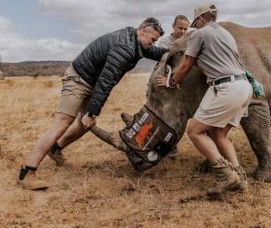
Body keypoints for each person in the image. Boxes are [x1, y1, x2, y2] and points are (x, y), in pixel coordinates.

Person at [18, 18, 168, 190]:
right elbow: (106, 80)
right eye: (152, 39)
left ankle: (56, 149)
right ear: (142, 30)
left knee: (82, 126)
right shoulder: (124, 47)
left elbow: (157, 52)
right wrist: (91, 113)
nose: (153, 43)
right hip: (79, 79)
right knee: (63, 122)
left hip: (92, 83)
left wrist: (180, 52)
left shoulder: (137, 42)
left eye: (155, 40)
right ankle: (27, 173)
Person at [156, 4, 253, 197]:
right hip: (244, 86)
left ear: (200, 19)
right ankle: (240, 177)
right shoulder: (226, 34)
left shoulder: (199, 34)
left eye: (195, 23)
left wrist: (170, 82)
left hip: (226, 88)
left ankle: (226, 175)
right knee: (219, 135)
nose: (195, 26)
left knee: (195, 131)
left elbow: (186, 65)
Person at [157, 15, 190, 158]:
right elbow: (163, 65)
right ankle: (170, 147)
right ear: (173, 26)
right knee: (167, 116)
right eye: (179, 28)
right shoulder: (165, 43)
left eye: (185, 29)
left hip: (183, 83)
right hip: (167, 82)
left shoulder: (189, 41)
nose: (182, 31)